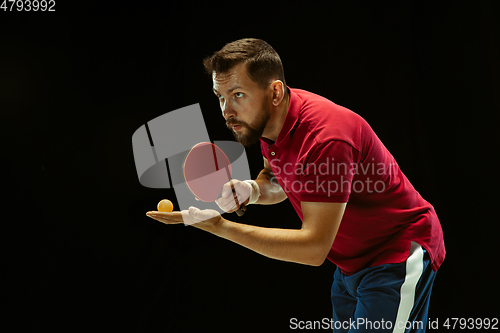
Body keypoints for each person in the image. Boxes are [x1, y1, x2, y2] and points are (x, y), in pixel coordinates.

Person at [146, 38, 445, 332]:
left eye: (237, 95)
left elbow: (314, 248)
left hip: (397, 252)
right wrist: (253, 190)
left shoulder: (326, 139)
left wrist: (220, 227)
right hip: (350, 265)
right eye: (220, 97)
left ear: (275, 91)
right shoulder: (268, 121)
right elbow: (277, 177)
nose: (226, 110)